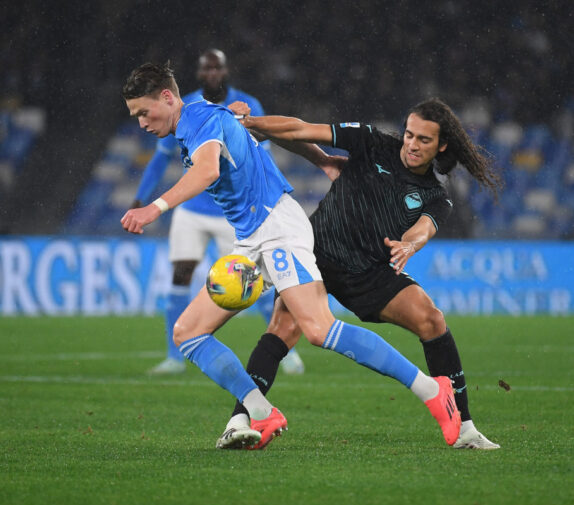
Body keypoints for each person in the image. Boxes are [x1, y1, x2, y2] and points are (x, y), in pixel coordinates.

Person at [120, 62, 461, 450]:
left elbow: (208, 171)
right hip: (252, 236)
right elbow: (252, 143)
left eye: (144, 112)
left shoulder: (197, 119)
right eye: (136, 117)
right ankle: (261, 412)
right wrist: (317, 158)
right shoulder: (200, 120)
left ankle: (432, 390)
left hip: (277, 228)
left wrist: (154, 208)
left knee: (318, 329)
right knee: (189, 333)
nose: (142, 123)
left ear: (167, 97)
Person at [221, 97, 502, 450]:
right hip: (317, 255)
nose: (412, 145)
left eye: (423, 140)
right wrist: (252, 123)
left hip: (369, 271)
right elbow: (303, 129)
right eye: (409, 135)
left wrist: (410, 245)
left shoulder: (435, 196)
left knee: (431, 319)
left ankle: (465, 429)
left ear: (441, 145)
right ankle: (241, 420)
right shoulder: (372, 142)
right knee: (282, 328)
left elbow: (424, 229)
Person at [133, 49, 304, 376]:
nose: (211, 73)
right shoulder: (183, 107)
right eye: (206, 68)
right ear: (199, 73)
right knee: (180, 273)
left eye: (217, 67)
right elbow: (160, 158)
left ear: (226, 70)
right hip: (193, 209)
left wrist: (240, 123)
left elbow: (257, 150)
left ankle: (286, 347)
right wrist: (140, 199)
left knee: (253, 281)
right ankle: (174, 355)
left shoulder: (246, 103)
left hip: (233, 213)